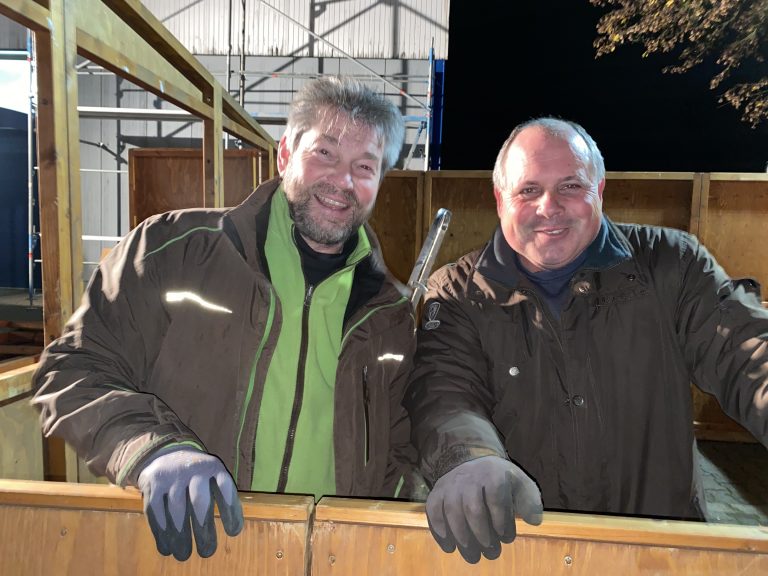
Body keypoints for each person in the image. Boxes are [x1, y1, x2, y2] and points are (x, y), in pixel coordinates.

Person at [31, 76, 417, 561]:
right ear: (285, 154)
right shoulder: (171, 250)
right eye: (325, 153)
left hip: (322, 557)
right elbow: (71, 369)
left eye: (364, 166)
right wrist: (154, 449)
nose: (343, 181)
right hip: (190, 546)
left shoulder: (390, 314)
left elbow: (398, 448)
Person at [405, 117, 768, 564]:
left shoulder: (672, 265)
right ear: (501, 200)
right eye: (528, 190)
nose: (549, 207)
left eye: (571, 186)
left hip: (654, 555)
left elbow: (747, 351)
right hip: (522, 552)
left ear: (599, 190)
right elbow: (444, 391)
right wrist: (469, 457)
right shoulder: (457, 293)